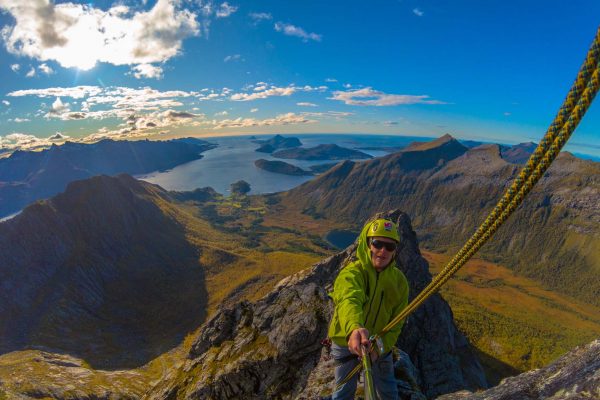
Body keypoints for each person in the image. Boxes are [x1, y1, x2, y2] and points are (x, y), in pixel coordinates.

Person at [328, 218, 409, 400]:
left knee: (388, 392)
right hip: (346, 340)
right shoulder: (352, 273)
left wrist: (379, 348)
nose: (383, 251)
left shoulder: (400, 282)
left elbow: (398, 321)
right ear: (367, 244)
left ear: (395, 251)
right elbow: (349, 299)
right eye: (377, 243)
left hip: (379, 341)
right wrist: (354, 328)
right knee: (343, 392)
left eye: (390, 246)